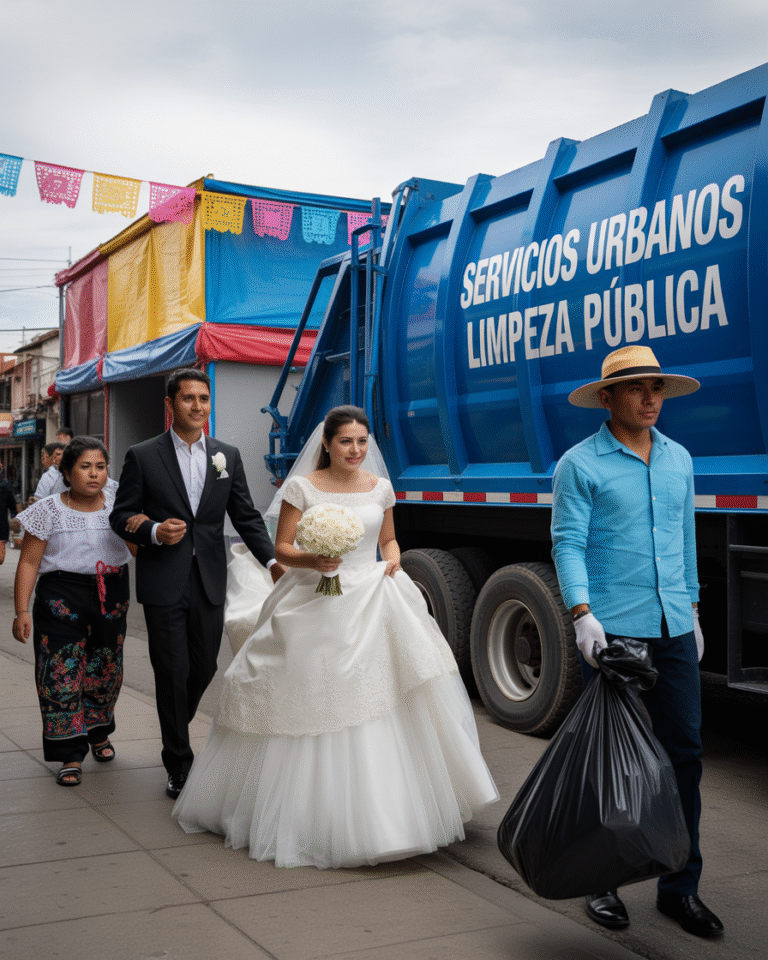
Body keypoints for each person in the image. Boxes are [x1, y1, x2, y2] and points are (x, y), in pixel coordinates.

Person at [172, 405, 499, 869]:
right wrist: (314, 561)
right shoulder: (302, 487)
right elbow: (282, 546)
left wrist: (394, 558)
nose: (355, 450)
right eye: (346, 441)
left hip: (372, 595)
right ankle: (304, 817)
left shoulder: (381, 488)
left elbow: (387, 539)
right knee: (307, 688)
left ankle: (391, 816)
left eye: (362, 441)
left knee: (387, 692)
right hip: (313, 597)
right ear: (326, 444)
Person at [551, 345, 723, 939]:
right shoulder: (581, 463)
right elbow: (568, 542)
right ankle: (604, 881)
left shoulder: (679, 459)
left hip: (674, 628)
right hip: (616, 633)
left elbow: (685, 537)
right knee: (614, 763)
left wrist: (694, 607)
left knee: (685, 759)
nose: (652, 399)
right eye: (637, 389)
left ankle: (680, 886)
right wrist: (582, 615)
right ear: (607, 398)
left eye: (657, 389)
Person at [110, 368, 283, 800]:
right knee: (171, 672)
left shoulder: (227, 456)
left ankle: (174, 723)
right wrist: (152, 530)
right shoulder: (143, 455)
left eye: (204, 399)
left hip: (208, 578)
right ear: (171, 405)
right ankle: (179, 764)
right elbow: (121, 515)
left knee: (204, 667)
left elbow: (244, 516)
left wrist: (273, 562)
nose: (198, 406)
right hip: (162, 580)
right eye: (188, 399)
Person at [12, 437, 133, 786]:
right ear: (66, 472)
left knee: (105, 668)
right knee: (60, 672)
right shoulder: (48, 510)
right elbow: (30, 562)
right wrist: (22, 610)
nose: (94, 474)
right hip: (60, 598)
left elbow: (140, 549)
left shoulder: (119, 506)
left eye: (100, 466)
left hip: (111, 594)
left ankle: (97, 732)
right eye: (84, 467)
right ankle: (70, 752)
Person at [0, 463, 18, 565]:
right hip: (2, 523)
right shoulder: (6, 485)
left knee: (0, 558)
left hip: (1, 522)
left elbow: (11, 501)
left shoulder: (5, 485)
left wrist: (14, 512)